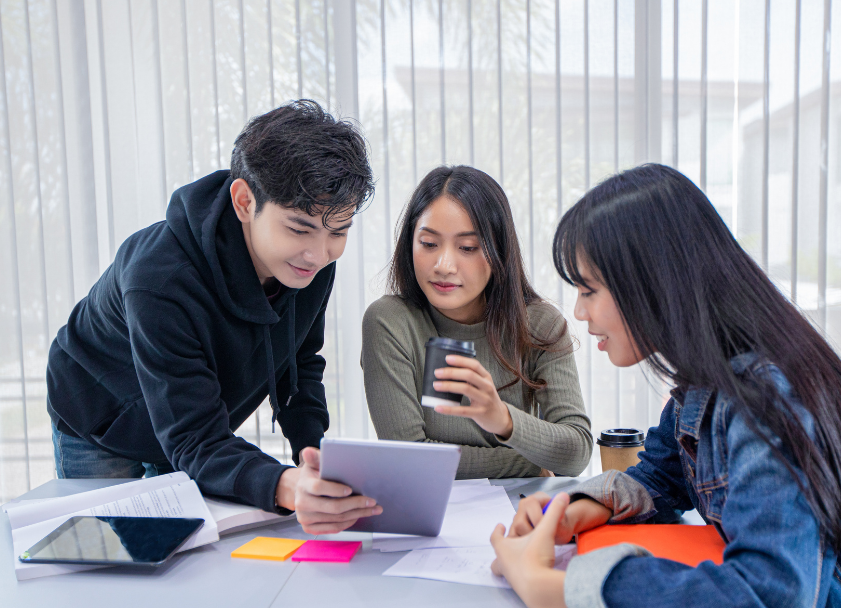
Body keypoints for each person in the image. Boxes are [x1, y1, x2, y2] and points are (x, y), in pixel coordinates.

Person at [489, 164, 841, 608]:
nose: (579, 312)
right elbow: (662, 475)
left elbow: (773, 604)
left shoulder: (766, 401)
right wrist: (577, 509)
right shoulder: (708, 379)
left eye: (590, 289)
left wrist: (556, 589)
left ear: (655, 284)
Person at [47, 100, 384, 534]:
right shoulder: (159, 279)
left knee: (190, 564)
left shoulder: (310, 262)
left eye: (339, 232)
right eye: (299, 229)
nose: (320, 253)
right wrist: (284, 485)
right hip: (101, 416)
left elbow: (298, 366)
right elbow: (193, 440)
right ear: (245, 201)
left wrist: (314, 456)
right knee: (115, 565)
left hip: (188, 416)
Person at [361, 165, 592, 478]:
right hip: (432, 517)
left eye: (467, 248)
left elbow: (576, 452)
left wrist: (502, 420)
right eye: (428, 244)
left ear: (499, 252)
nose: (444, 266)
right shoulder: (390, 322)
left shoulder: (539, 325)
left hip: (519, 516)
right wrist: (529, 463)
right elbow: (410, 460)